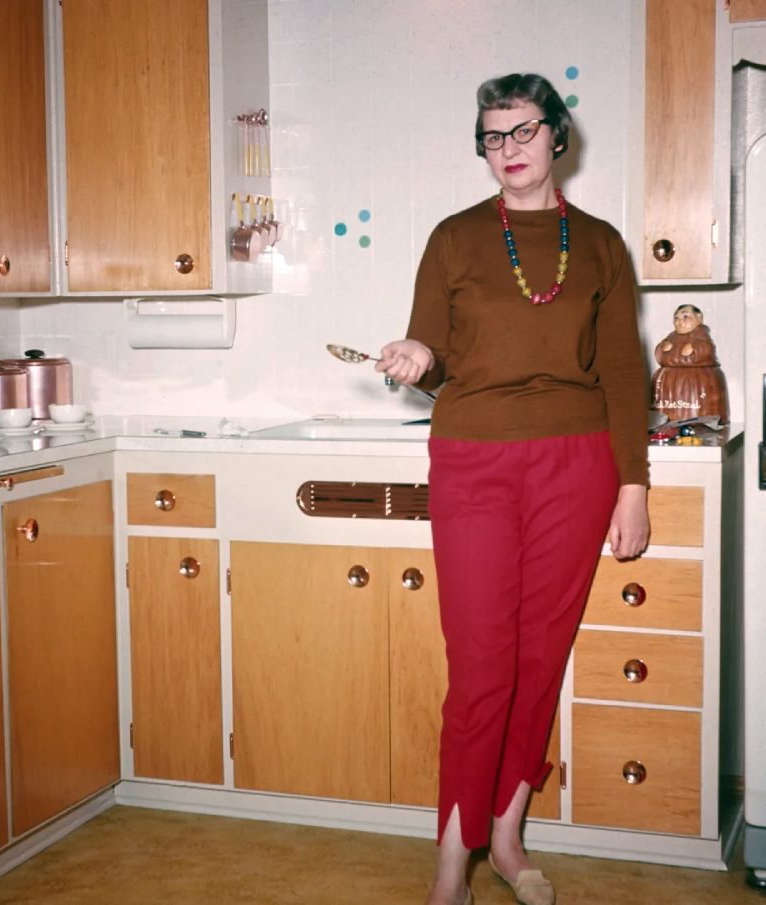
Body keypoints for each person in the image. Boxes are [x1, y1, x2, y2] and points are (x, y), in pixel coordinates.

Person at [375, 73, 650, 905]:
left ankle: (507, 835)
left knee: (539, 659)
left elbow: (623, 377)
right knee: (483, 667)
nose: (509, 149)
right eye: (494, 136)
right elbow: (434, 344)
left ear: (555, 134)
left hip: (579, 464)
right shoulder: (455, 237)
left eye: (523, 131)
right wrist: (418, 358)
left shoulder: (599, 243)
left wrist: (631, 485)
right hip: (475, 461)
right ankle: (452, 861)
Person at [652, 304, 729, 423]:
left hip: (695, 380)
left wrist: (695, 347)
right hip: (670, 381)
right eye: (676, 318)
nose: (680, 321)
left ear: (698, 317)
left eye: (685, 316)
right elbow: (659, 354)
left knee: (697, 407)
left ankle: (698, 421)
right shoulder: (672, 336)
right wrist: (662, 348)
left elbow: (707, 348)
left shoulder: (700, 334)